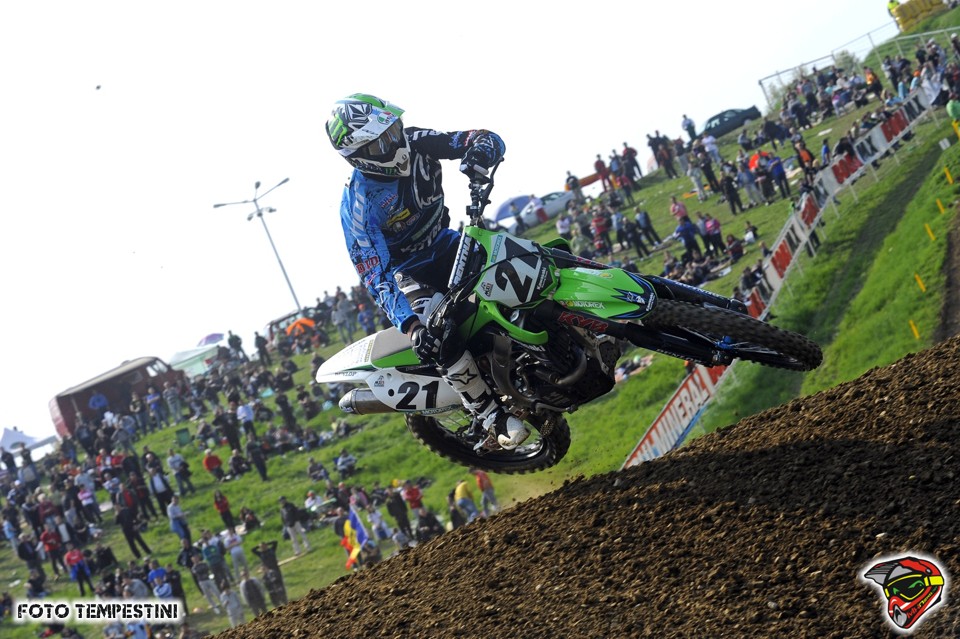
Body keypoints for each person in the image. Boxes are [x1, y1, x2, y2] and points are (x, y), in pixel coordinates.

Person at [326, 93, 527, 451]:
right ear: (359, 156)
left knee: (520, 259)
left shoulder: (418, 141)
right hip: (409, 273)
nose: (395, 142)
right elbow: (375, 275)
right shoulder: (360, 204)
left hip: (447, 242)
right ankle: (490, 416)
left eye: (393, 129)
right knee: (436, 333)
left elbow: (479, 137)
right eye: (382, 142)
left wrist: (480, 152)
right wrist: (411, 327)